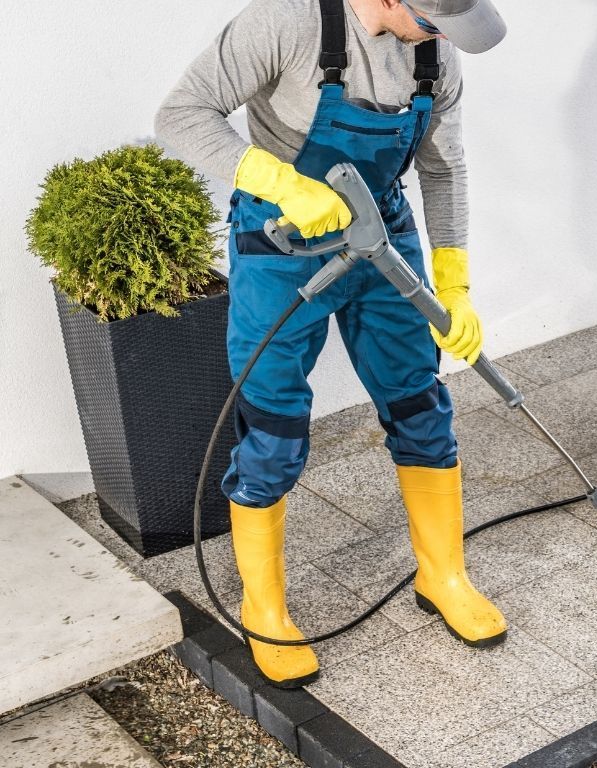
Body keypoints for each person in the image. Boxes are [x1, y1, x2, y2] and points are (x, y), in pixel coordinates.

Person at [156, 0, 508, 688]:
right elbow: (181, 114)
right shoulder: (286, 22)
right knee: (274, 428)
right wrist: (279, 181)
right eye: (434, 23)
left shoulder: (436, 49)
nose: (442, 39)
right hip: (281, 246)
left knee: (420, 405)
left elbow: (444, 167)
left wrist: (456, 281)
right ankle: (265, 608)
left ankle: (443, 576)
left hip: (384, 236)